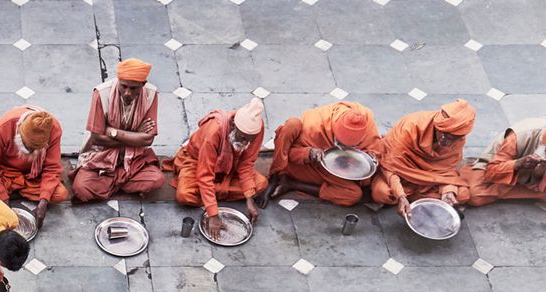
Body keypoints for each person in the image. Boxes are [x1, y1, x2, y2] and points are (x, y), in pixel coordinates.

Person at [170, 97, 267, 241]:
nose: (246, 143)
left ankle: (211, 194)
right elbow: (204, 175)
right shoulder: (214, 132)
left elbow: (246, 163)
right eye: (242, 137)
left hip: (230, 166)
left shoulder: (256, 130)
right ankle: (216, 195)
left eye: (249, 140)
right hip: (198, 162)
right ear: (233, 125)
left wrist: (249, 198)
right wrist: (213, 215)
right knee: (184, 195)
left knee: (261, 183)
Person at [71, 58, 165, 202]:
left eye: (133, 88)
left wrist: (112, 132)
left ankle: (109, 183)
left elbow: (148, 140)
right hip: (101, 155)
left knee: (156, 180)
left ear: (143, 85)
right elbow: (97, 138)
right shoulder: (101, 93)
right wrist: (135, 137)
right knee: (81, 188)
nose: (127, 93)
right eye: (124, 86)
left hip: (134, 158)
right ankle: (124, 182)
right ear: (118, 80)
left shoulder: (151, 94)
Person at [261, 101, 383, 207]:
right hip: (299, 163)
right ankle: (276, 176)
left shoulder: (367, 124)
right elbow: (288, 154)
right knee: (292, 124)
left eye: (352, 146)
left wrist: (371, 156)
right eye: (340, 143)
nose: (344, 149)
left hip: (335, 170)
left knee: (353, 195)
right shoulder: (315, 124)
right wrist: (308, 153)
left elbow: (376, 151)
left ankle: (292, 184)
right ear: (335, 129)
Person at [371, 99, 476, 216]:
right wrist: (400, 195)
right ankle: (416, 199)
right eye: (443, 135)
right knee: (381, 193)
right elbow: (390, 166)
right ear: (437, 126)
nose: (445, 142)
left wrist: (448, 191)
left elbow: (448, 171)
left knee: (462, 195)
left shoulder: (458, 140)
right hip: (401, 176)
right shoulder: (410, 128)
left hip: (431, 179)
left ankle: (415, 198)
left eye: (452, 139)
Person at [0, 105, 65, 227]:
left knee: (59, 194)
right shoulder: (5, 126)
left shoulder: (53, 129)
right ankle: (12, 192)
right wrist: (3, 197)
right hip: (5, 171)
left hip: (32, 177)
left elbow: (52, 168)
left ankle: (14, 190)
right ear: (19, 132)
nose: (31, 152)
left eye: (35, 149)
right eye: (28, 147)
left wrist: (44, 201)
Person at [461, 117, 546, 206]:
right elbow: (491, 173)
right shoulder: (518, 137)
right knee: (475, 195)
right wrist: (518, 164)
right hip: (499, 167)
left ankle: (529, 191)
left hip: (534, 174)